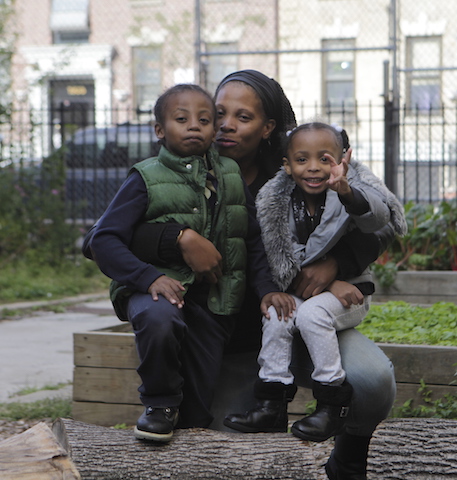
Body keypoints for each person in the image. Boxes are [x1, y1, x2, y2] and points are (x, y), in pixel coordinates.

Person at [84, 70, 400, 479]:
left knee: (372, 380)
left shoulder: (301, 162)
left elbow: (384, 219)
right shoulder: (178, 164)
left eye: (244, 117)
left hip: (299, 318)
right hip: (224, 340)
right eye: (219, 113)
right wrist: (178, 238)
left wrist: (338, 263)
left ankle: (349, 458)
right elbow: (100, 237)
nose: (226, 125)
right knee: (223, 453)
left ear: (269, 128)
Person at [87, 83, 295, 442]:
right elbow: (103, 239)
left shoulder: (229, 174)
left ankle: (189, 438)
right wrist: (147, 277)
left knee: (199, 409)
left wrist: (266, 290)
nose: (194, 126)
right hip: (152, 287)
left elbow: (251, 239)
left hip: (212, 302)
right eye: (181, 119)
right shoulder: (145, 176)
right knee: (159, 319)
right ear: (159, 130)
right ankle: (159, 404)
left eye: (204, 119)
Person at [223, 122, 407, 445]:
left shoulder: (347, 190)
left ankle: (332, 403)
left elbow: (378, 219)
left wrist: (347, 190)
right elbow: (276, 253)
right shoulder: (276, 199)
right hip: (302, 291)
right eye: (302, 160)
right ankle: (272, 402)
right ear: (287, 164)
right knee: (278, 316)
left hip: (350, 293)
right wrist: (322, 284)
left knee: (312, 316)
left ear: (342, 160)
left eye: (325, 159)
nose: (314, 168)